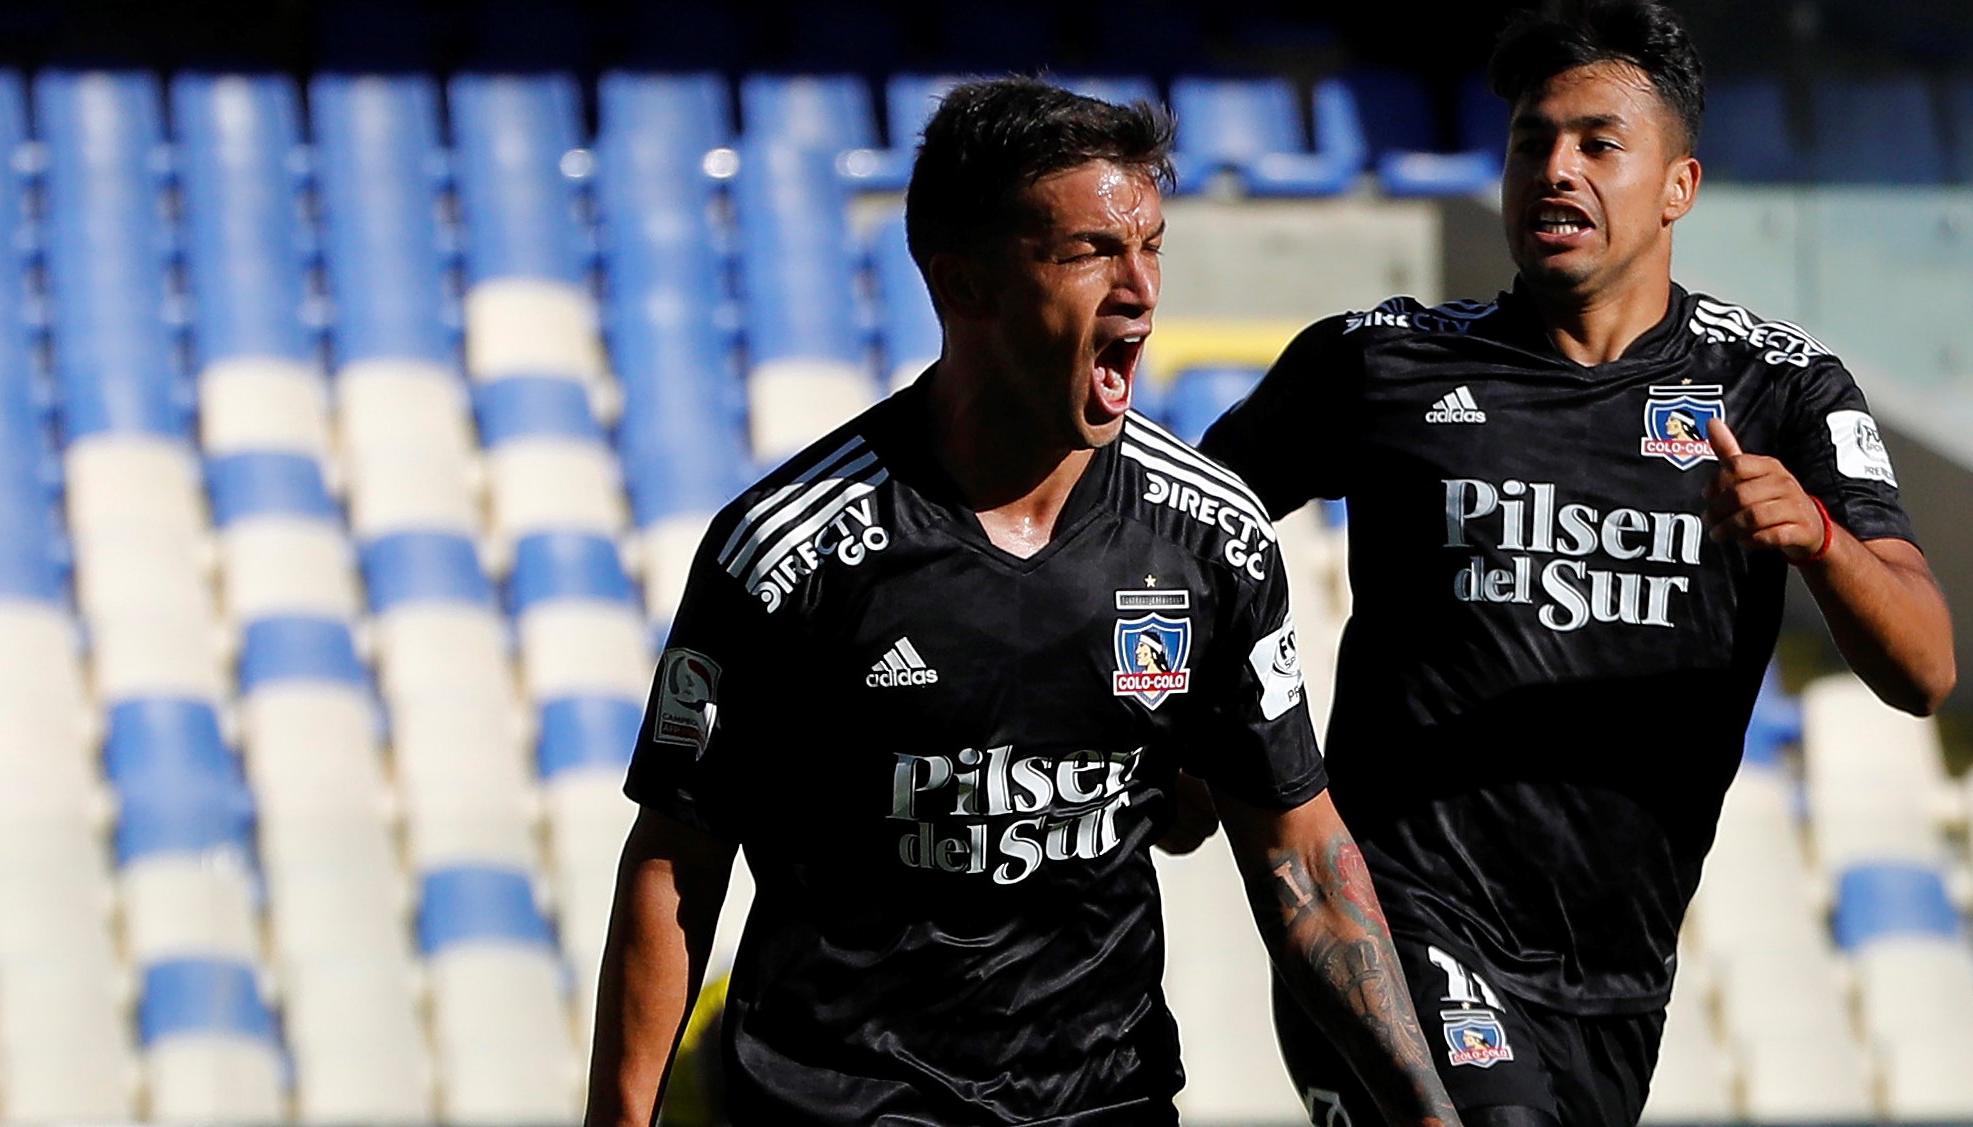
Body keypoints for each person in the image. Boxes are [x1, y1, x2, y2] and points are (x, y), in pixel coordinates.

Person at [584, 78, 1462, 1127]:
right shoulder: (789, 549)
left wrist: (1426, 1113)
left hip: (1106, 1100)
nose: (1138, 289)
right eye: (1090, 251)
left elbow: (1302, 856)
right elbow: (676, 861)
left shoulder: (1212, 537)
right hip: (845, 1100)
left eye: (1150, 246)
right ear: (962, 285)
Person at [1196, 3, 1958, 1124]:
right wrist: (1185, 739)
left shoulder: (1781, 392)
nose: (1554, 169)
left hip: (1615, 976)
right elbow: (1173, 529)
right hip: (1398, 917)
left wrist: (1819, 537)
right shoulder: (1380, 362)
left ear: (1676, 187)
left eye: (1596, 144)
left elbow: (1924, 666)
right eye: (1528, 141)